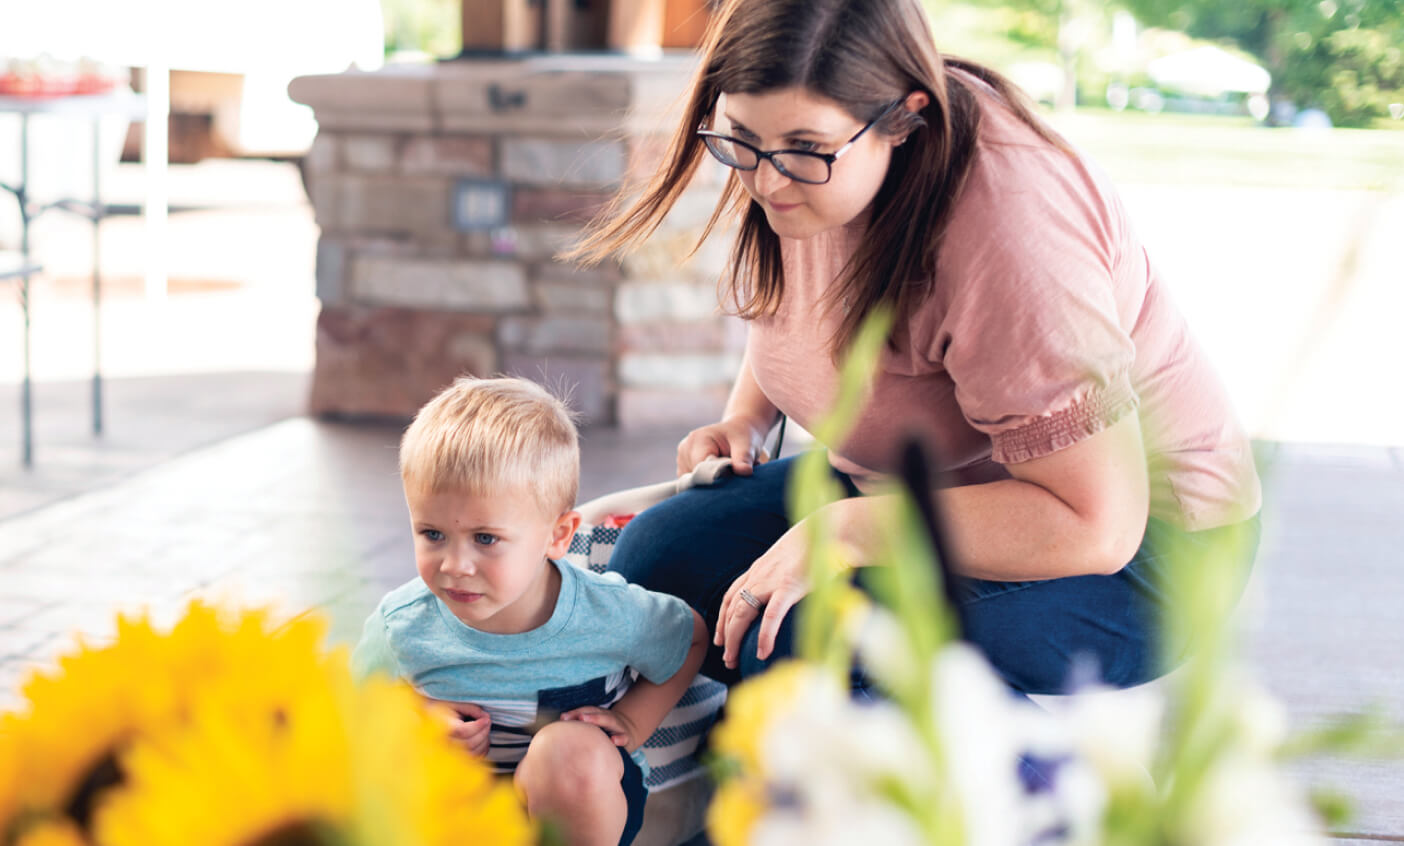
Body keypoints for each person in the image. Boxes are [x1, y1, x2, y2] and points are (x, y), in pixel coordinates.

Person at [567, 0, 1262, 693]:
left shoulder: (1012, 236)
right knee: (658, 562)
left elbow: (1097, 526)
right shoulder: (798, 162)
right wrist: (748, 417)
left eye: (804, 150)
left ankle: (1032, 778)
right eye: (741, 139)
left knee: (796, 640)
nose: (767, 181)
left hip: (1135, 551)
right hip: (920, 487)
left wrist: (843, 533)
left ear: (903, 117)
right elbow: (801, 299)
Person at [353, 377, 708, 846]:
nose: (455, 566)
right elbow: (350, 708)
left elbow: (691, 638)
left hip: (577, 809)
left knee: (569, 752)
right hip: (458, 815)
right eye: (432, 534)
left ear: (558, 536)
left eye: (485, 539)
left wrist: (633, 720)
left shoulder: (605, 611)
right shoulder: (402, 625)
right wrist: (418, 716)